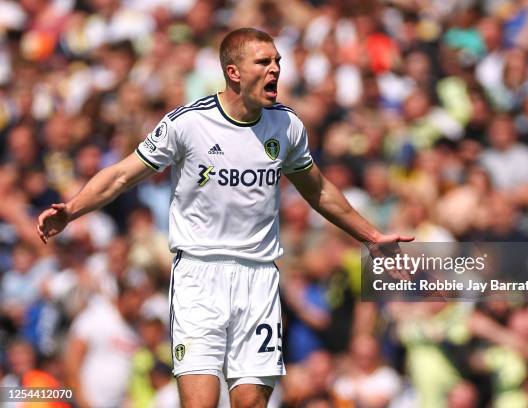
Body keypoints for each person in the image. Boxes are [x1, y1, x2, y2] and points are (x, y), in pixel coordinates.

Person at [37, 28, 412, 408]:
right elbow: (121, 174)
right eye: (264, 62)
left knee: (250, 403)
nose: (276, 70)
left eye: (277, 61)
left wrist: (370, 236)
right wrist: (73, 209)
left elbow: (318, 189)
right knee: (201, 403)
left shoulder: (286, 126)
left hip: (260, 277)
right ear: (233, 72)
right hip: (199, 277)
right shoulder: (188, 124)